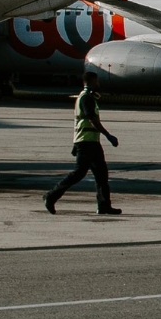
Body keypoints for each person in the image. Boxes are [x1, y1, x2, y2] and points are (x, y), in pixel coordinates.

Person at [45, 71, 121, 215]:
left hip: (89, 142)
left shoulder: (85, 97)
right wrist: (108, 135)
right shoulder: (87, 98)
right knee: (79, 173)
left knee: (101, 174)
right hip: (87, 143)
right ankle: (51, 196)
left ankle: (104, 205)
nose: (98, 84)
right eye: (96, 81)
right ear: (92, 81)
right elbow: (92, 120)